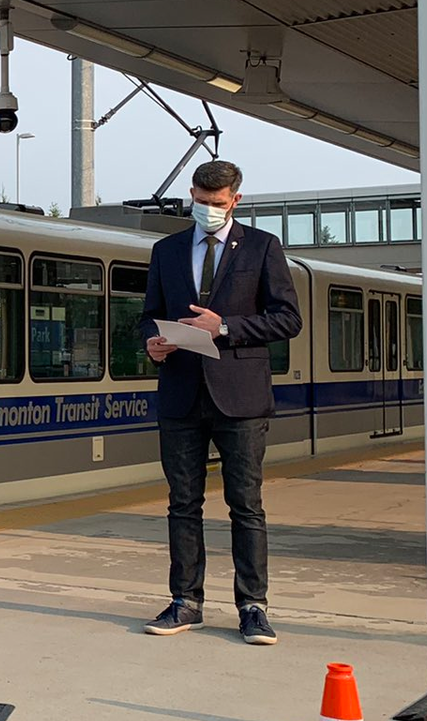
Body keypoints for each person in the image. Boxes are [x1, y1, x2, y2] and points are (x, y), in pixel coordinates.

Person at [138, 160, 302, 645]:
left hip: (241, 397)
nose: (208, 210)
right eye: (201, 201)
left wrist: (225, 327)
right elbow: (148, 316)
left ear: (236, 200)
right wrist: (152, 342)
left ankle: (253, 607)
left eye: (218, 203)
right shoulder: (165, 250)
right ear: (191, 194)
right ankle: (185, 602)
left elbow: (288, 319)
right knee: (181, 505)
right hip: (181, 393)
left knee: (246, 506)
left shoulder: (262, 247)